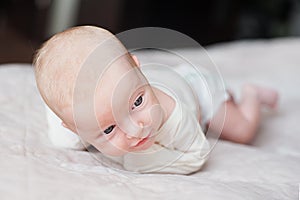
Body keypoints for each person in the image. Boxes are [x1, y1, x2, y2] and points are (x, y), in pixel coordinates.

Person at [33, 25, 278, 174]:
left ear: (137, 68)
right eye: (109, 128)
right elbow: (61, 120)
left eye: (137, 102)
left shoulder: (173, 114)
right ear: (74, 127)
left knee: (242, 131)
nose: (135, 128)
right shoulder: (82, 116)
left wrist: (136, 161)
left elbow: (195, 156)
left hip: (196, 89)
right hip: (159, 80)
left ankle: (251, 94)